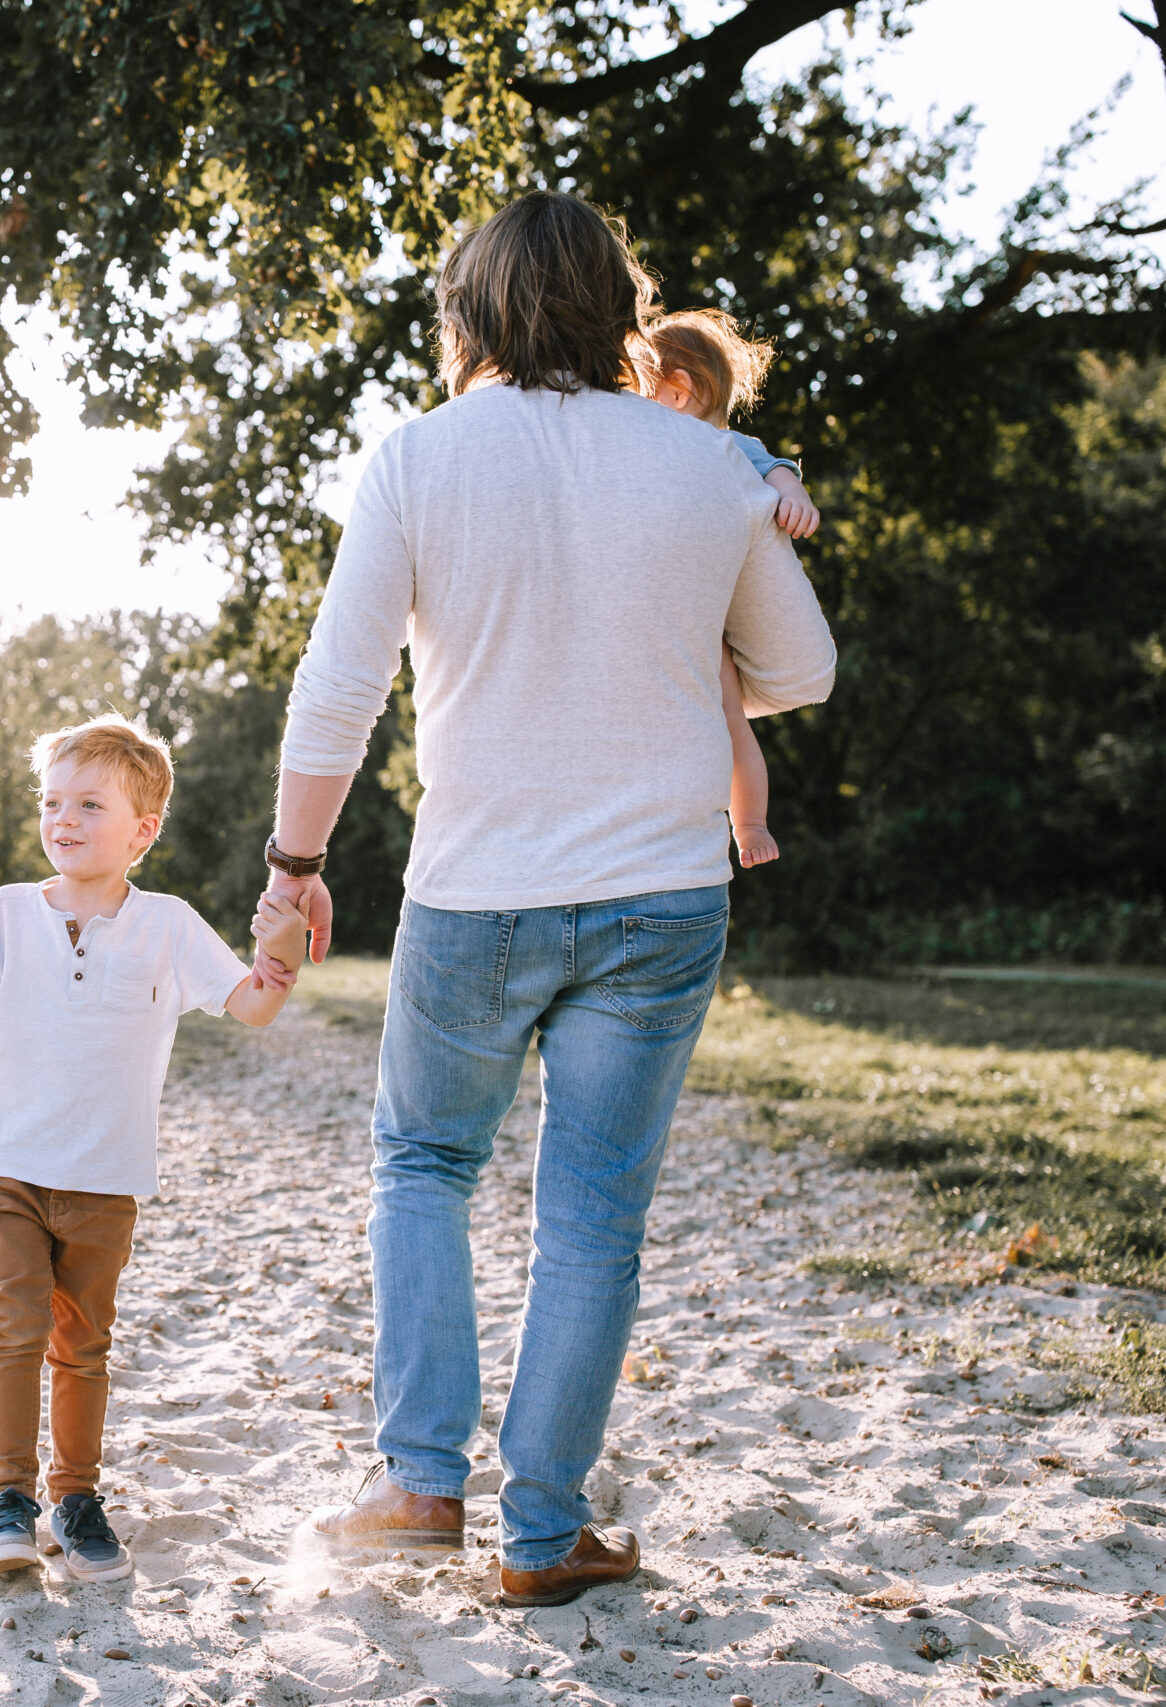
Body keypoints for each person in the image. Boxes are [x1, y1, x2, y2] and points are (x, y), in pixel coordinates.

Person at [256, 194, 837, 1606]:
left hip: (476, 892)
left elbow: (339, 689)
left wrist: (293, 869)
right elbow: (801, 670)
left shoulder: (420, 456)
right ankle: (540, 1537)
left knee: (423, 1165)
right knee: (592, 1218)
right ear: (621, 312)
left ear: (469, 314)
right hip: (659, 897)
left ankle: (418, 1482)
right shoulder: (708, 464)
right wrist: (667, 655)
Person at [0, 717, 309, 1583]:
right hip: (8, 1163)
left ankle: (76, 1498)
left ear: (142, 830)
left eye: (88, 804)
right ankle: (8, 1499)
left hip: (107, 1177)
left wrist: (285, 946)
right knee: (11, 1328)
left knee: (82, 1343)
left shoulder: (169, 924)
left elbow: (256, 1004)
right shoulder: (6, 911)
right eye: (52, 802)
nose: (62, 818)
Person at [641, 307, 824, 870]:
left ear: (676, 392)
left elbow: (776, 468)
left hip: (708, 610)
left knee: (728, 717)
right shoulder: (654, 442)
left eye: (636, 386)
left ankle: (749, 822)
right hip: (675, 601)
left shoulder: (728, 445)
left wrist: (794, 495)